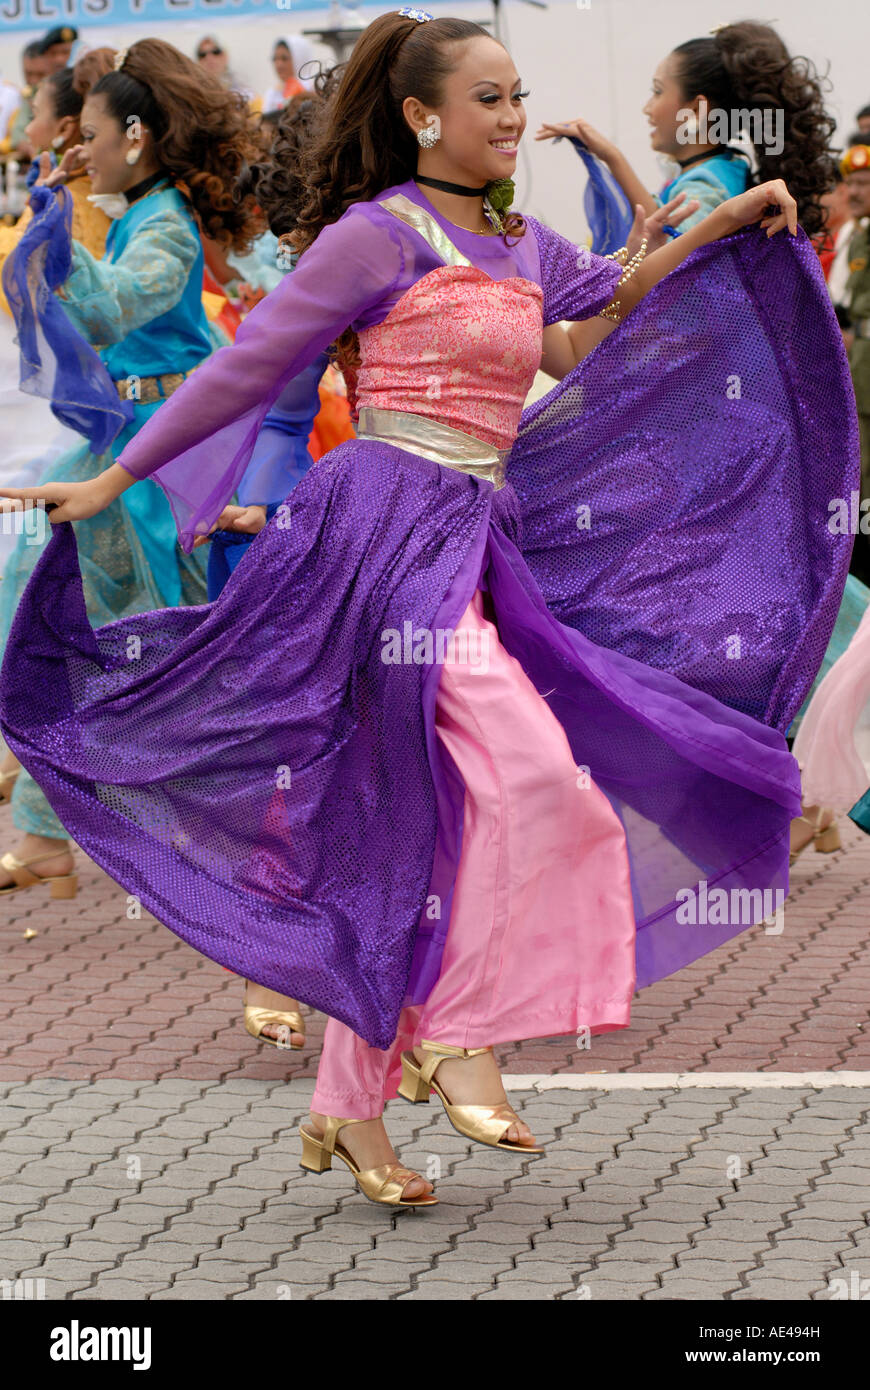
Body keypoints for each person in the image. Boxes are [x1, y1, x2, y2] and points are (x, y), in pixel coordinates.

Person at [0, 13, 849, 1209]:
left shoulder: (515, 237)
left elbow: (585, 331)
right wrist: (117, 479)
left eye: (518, 96)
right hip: (386, 534)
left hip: (479, 536)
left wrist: (719, 223)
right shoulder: (372, 238)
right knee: (531, 779)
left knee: (423, 820)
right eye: (489, 97)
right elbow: (247, 369)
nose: (511, 116)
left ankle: (349, 1112)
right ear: (420, 116)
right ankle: (456, 1030)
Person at [0, 38, 262, 900]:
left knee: (139, 641)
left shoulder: (166, 226)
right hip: (128, 442)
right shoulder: (139, 213)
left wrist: (54, 228)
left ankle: (233, 843)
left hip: (162, 454)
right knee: (74, 616)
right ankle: (51, 825)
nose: (89, 148)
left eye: (98, 135)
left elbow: (111, 311)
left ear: (137, 138)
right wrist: (62, 200)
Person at [538, 20, 836, 239]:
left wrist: (613, 157)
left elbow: (669, 253)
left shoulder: (707, 187)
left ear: (695, 110)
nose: (647, 108)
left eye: (657, 91)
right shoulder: (723, 169)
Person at [3, 42, 49, 161]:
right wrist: (27, 147)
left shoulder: (61, 93)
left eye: (40, 74)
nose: (33, 81)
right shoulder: (28, 95)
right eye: (28, 74)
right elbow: (17, 132)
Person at [262, 36, 317, 113]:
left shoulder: (315, 88)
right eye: (275, 59)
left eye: (284, 59)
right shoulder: (272, 94)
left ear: (299, 58)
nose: (279, 65)